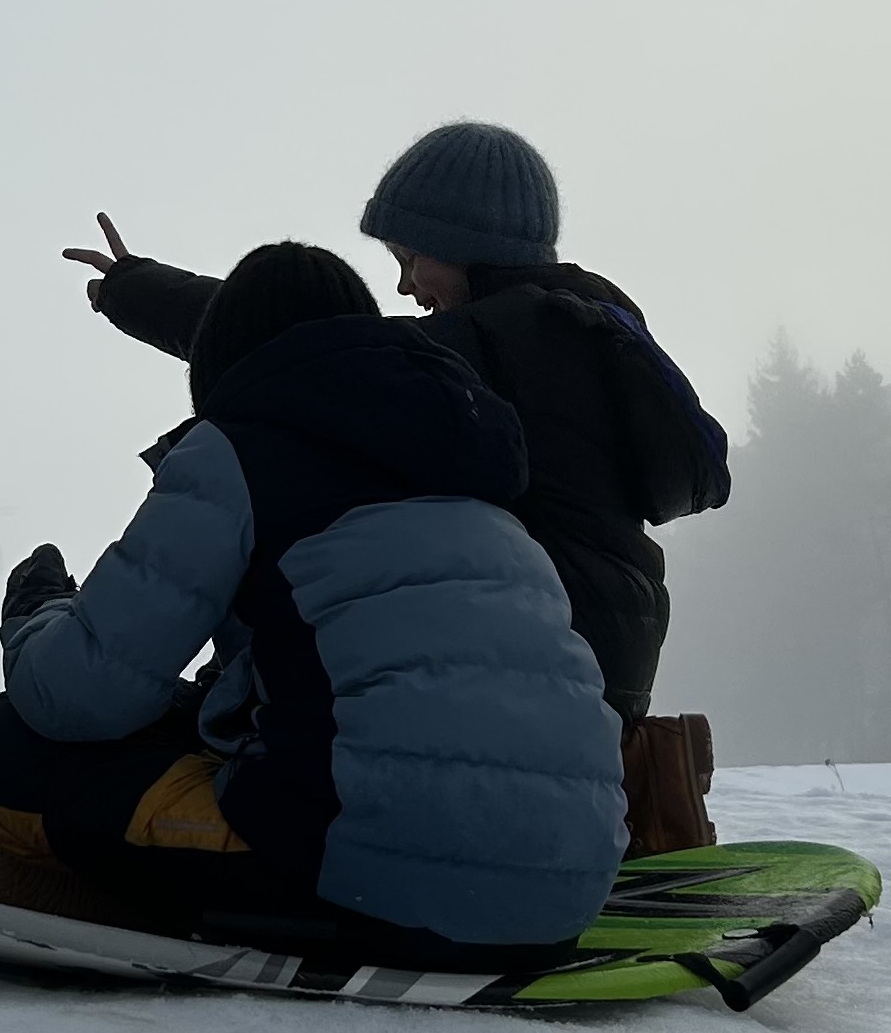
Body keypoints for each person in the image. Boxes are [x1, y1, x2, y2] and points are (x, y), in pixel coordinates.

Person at [0, 243, 626, 967]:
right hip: (566, 888)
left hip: (381, 889)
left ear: (222, 361)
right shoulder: (474, 471)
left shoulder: (236, 452)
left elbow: (81, 693)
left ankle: (142, 897)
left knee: (5, 747)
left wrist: (35, 607)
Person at [62, 121, 729, 726]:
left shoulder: (495, 342)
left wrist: (134, 289)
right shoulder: (595, 329)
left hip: (537, 663)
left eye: (411, 259)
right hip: (616, 666)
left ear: (466, 244)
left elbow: (306, 343)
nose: (407, 287)